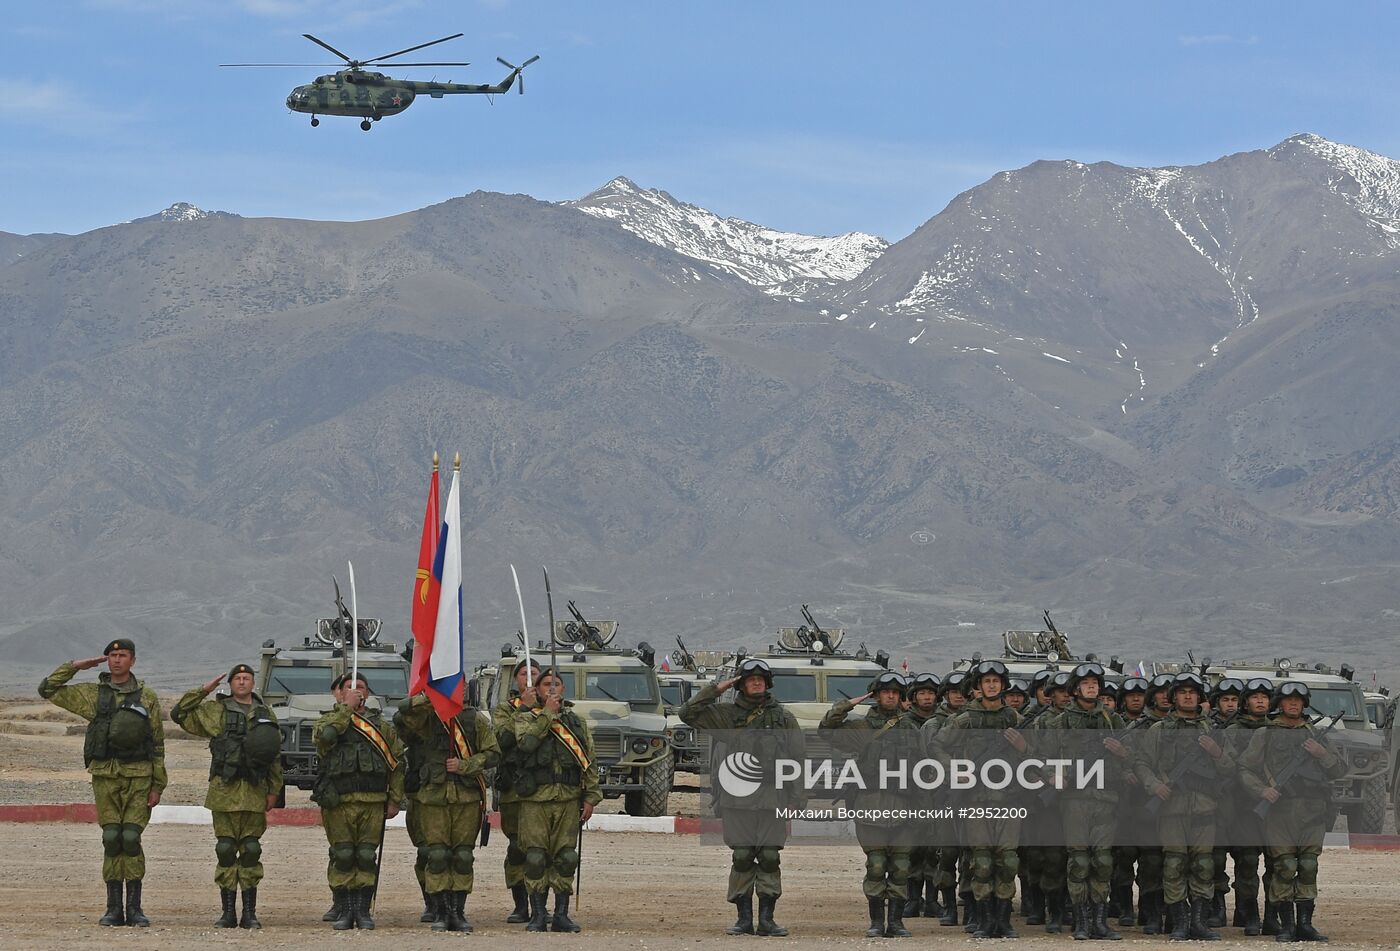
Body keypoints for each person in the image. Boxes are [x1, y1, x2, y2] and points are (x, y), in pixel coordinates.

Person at [39, 638, 167, 927]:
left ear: (133, 660)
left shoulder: (147, 697)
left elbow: (157, 744)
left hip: (139, 776)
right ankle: (113, 908)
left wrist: (158, 785)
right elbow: (47, 690)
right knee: (111, 839)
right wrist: (74, 667)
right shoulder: (94, 695)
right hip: (105, 775)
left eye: (122, 655)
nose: (117, 660)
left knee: (131, 839)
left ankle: (134, 909)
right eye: (112, 655)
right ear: (106, 659)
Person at [679, 657, 805, 937]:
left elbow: (798, 759)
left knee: (770, 856)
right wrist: (716, 689)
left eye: (760, 679)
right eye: (749, 679)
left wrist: (797, 799)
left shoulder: (784, 718)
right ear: (741, 685)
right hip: (738, 799)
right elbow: (686, 713)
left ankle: (768, 920)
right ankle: (744, 919)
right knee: (743, 855)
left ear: (768, 683)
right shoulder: (726, 715)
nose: (756, 682)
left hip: (774, 798)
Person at [171, 663, 283, 929]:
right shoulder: (216, 712)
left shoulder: (266, 714)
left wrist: (274, 791)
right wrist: (203, 691)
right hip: (225, 790)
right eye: (237, 678)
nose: (242, 682)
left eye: (247, 678)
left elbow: (274, 757)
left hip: (255, 790)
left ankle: (250, 913)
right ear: (231, 684)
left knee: (251, 851)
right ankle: (228, 912)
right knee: (225, 850)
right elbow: (179, 714)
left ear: (253, 683)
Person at [1239, 682, 1347, 943]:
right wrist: (1262, 791)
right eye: (1288, 700)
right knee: (1284, 867)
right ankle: (1286, 924)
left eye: (1298, 700)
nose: (1294, 704)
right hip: (1280, 811)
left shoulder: (1315, 734)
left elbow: (1339, 770)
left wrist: (1322, 754)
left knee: (1308, 866)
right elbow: (1244, 769)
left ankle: (1305, 924)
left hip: (1312, 811)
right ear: (1280, 703)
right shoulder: (1265, 733)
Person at [929, 660, 1026, 939]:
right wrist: (956, 769)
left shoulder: (1014, 719)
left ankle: (1004, 921)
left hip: (1009, 799)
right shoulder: (965, 718)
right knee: (981, 862)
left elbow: (1039, 753)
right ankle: (985, 921)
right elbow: (937, 746)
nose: (992, 685)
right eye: (987, 682)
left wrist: (1024, 746)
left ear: (1003, 685)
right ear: (978, 687)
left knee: (1007, 862)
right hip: (975, 799)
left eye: (996, 681)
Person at [1133, 672, 1233, 941]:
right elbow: (1142, 764)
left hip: (1204, 807)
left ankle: (1199, 922)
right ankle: (1179, 921)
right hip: (1171, 808)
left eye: (1192, 692)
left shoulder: (1211, 731)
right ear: (1173, 697)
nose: (1188, 696)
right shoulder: (1159, 731)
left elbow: (1231, 768)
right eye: (1182, 692)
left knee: (1202, 865)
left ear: (1199, 697)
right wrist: (1154, 786)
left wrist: (1217, 753)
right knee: (1175, 864)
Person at [821, 670, 920, 938]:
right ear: (875, 696)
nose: (890, 695)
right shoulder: (861, 728)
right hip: (870, 805)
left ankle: (896, 922)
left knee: (900, 867)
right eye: (885, 691)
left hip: (905, 806)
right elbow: (826, 730)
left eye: (895, 692)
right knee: (876, 865)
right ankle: (877, 922)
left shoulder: (911, 728)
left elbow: (926, 769)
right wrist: (848, 704)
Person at [397, 691, 500, 932]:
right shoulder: (426, 718)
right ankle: (441, 912)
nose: (457, 688)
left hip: (467, 797)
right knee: (438, 855)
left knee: (463, 857)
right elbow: (402, 717)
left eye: (460, 683)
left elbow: (493, 754)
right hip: (433, 798)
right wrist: (429, 698)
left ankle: (458, 912)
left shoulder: (475, 719)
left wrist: (465, 765)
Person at [312, 672, 405, 930]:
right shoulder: (328, 720)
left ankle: (362, 911)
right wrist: (346, 710)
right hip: (339, 800)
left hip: (372, 801)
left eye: (361, 686)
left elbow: (397, 763)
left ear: (368, 692)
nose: (356, 690)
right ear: (340, 693)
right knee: (343, 855)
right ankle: (344, 909)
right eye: (349, 687)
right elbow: (325, 739)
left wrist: (395, 799)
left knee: (365, 856)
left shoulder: (382, 727)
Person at [515, 667, 603, 932]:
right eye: (546, 685)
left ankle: (561, 914)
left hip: (567, 798)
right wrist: (547, 715)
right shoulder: (525, 718)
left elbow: (589, 762)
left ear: (564, 689)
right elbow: (526, 744)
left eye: (557, 684)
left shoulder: (576, 723)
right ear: (537, 691)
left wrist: (590, 797)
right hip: (535, 799)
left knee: (566, 857)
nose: (552, 689)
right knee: (535, 858)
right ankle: (538, 914)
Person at [1046, 662, 1128, 940]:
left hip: (1105, 798)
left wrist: (1121, 752)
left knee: (1103, 861)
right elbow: (1043, 757)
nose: (1092, 686)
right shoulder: (1061, 722)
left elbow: (1132, 755)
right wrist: (1055, 776)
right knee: (1079, 860)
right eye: (1086, 683)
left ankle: (1100, 922)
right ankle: (1081, 922)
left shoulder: (1112, 720)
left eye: (1095, 683)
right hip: (1075, 799)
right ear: (1075, 688)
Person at [1223, 677, 1273, 936]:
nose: (1261, 701)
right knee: (1248, 862)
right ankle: (1248, 914)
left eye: (1265, 697)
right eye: (1255, 697)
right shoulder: (1232, 732)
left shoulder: (1280, 730)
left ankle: (1273, 915)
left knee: (1277, 863)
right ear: (1246, 702)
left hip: (1275, 808)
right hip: (1243, 807)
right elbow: (1228, 768)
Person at [493, 657, 541, 923]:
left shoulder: (552, 709)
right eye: (524, 673)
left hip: (544, 791)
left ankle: (540, 906)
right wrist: (524, 709)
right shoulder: (505, 710)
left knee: (540, 850)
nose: (529, 678)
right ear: (516, 680)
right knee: (517, 848)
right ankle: (520, 904)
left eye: (534, 673)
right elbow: (502, 739)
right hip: (515, 790)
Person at [922, 670, 970, 927]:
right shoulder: (934, 725)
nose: (959, 697)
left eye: (963, 692)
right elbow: (930, 760)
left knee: (974, 853)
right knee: (948, 853)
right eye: (954, 692)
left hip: (973, 793)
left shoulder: (975, 719)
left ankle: (972, 905)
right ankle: (950, 906)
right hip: (944, 794)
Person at [900, 673, 944, 920]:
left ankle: (932, 900)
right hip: (912, 792)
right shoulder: (904, 722)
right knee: (912, 848)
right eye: (922, 693)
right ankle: (911, 898)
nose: (927, 697)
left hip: (936, 791)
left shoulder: (944, 722)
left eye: (930, 693)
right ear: (913, 697)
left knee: (934, 849)